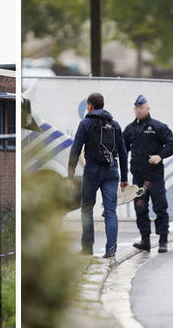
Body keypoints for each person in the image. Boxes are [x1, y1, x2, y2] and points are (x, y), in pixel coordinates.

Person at [68, 92, 129, 258]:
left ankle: (87, 248)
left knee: (87, 208)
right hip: (111, 171)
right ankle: (111, 251)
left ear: (89, 105)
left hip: (92, 171)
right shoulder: (115, 125)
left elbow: (75, 149)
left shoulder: (85, 123)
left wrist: (70, 174)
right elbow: (123, 153)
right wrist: (124, 178)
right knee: (110, 211)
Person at [123, 95, 173, 253]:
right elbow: (123, 148)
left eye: (141, 107)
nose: (138, 110)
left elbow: (172, 144)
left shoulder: (157, 127)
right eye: (136, 108)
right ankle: (145, 240)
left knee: (160, 207)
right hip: (138, 177)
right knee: (140, 208)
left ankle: (163, 240)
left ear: (148, 108)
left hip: (155, 177)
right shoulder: (130, 129)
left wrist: (160, 156)